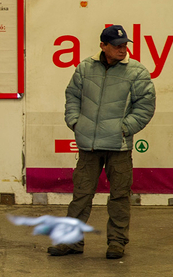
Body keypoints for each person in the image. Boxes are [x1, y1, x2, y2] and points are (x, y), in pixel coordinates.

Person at [51, 25, 156, 259]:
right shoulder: (85, 68)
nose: (123, 49)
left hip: (118, 147)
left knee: (119, 196)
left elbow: (145, 106)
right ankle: (72, 242)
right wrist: (76, 123)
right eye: (117, 45)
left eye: (125, 44)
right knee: (81, 195)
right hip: (88, 145)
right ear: (103, 46)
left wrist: (125, 128)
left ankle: (117, 243)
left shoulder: (136, 72)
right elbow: (72, 97)